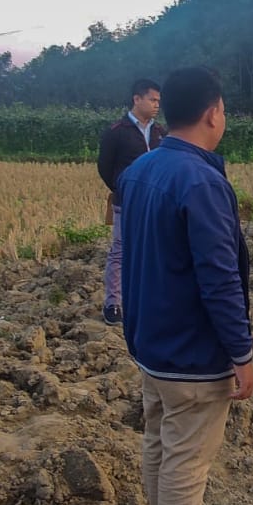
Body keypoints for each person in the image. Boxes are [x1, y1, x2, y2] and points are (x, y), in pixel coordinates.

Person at [117, 66, 253, 505]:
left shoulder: (141, 170)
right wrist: (241, 352)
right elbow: (218, 278)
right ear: (213, 113)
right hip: (191, 352)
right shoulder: (201, 181)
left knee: (159, 440)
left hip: (151, 342)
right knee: (186, 460)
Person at [96, 79, 164, 325]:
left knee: (155, 250)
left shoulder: (160, 133)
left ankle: (150, 300)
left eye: (158, 101)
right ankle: (113, 304)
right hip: (126, 203)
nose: (157, 105)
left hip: (155, 203)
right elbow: (105, 167)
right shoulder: (117, 132)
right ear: (137, 99)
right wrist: (120, 187)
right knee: (120, 251)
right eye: (152, 100)